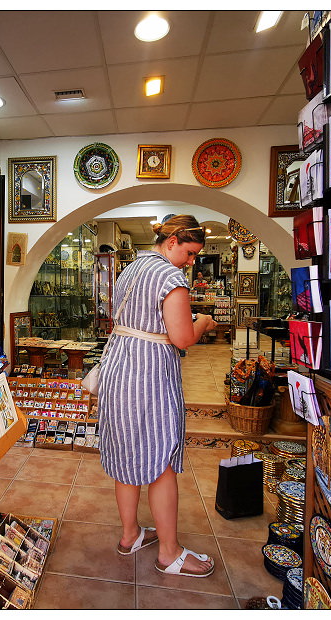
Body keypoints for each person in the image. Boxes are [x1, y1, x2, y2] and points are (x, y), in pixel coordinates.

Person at [98, 214, 219, 578]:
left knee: (126, 453)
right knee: (161, 458)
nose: (191, 261)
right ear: (172, 242)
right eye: (190, 252)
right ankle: (169, 553)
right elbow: (182, 337)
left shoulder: (130, 269)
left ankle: (130, 535)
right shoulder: (170, 277)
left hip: (118, 369)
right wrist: (203, 322)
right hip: (147, 374)